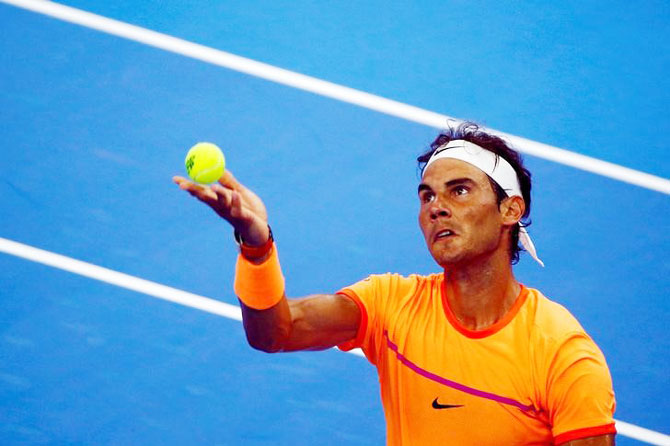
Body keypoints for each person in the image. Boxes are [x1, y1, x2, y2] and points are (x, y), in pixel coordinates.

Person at [173, 122, 616, 446]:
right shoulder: (392, 304)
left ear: (510, 210)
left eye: (459, 190)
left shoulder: (564, 356)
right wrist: (256, 245)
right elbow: (275, 332)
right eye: (427, 195)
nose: (437, 207)